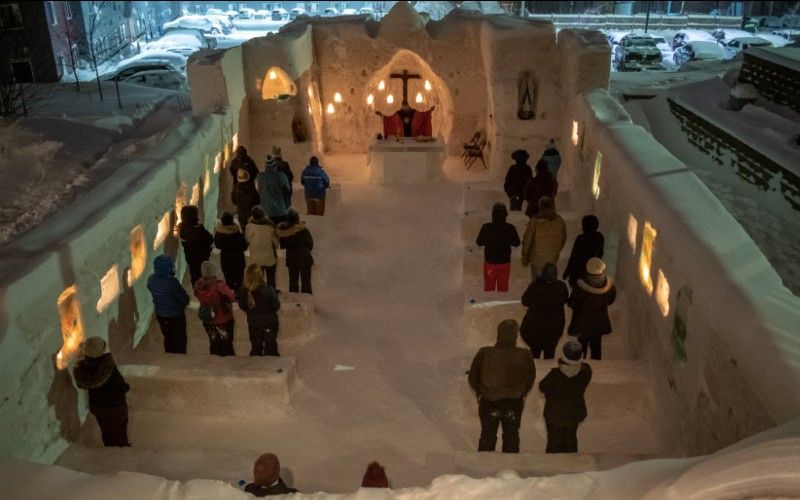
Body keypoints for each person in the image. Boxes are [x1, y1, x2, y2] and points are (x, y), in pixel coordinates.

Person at [468, 319, 536, 453]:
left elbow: (473, 377)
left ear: (499, 334)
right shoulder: (525, 354)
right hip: (514, 403)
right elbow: (530, 378)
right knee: (511, 436)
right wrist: (522, 393)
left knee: (487, 435)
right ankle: (510, 468)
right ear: (515, 335)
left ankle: (484, 468)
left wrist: (480, 392)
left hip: (489, 401)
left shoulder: (484, 353)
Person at [73, 337, 130, 447]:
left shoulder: (81, 369)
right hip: (115, 406)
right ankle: (122, 453)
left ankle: (109, 449)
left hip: (98, 407)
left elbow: (80, 385)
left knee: (106, 430)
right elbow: (121, 386)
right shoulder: (108, 367)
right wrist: (126, 387)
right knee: (120, 431)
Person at [539, 339, 592, 453]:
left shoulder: (555, 375)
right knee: (571, 438)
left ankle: (554, 468)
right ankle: (571, 465)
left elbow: (542, 387)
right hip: (575, 412)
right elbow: (583, 366)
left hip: (555, 413)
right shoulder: (586, 371)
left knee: (554, 441)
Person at [567, 257, 617, 360]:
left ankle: (581, 365)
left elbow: (572, 303)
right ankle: (597, 367)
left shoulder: (580, 286)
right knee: (596, 346)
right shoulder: (609, 286)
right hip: (599, 321)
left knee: (582, 346)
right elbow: (611, 300)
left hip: (582, 322)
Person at [520, 263, 569, 359]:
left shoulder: (535, 286)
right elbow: (565, 299)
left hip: (534, 327)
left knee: (534, 353)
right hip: (554, 327)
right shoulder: (561, 287)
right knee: (550, 354)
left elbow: (525, 301)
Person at [146, 255, 190, 354]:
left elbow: (150, 287)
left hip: (161, 314)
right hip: (175, 315)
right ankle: (180, 357)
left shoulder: (151, 280)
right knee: (179, 338)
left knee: (168, 336)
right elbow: (183, 298)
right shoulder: (171, 282)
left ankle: (169, 354)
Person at [193, 261, 237, 356]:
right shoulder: (219, 285)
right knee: (227, 344)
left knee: (214, 343)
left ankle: (215, 362)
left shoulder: (198, 285)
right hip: (224, 319)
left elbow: (196, 294)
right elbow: (232, 298)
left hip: (208, 320)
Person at [238, 264, 281, 356]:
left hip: (253, 323)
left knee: (256, 348)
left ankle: (257, 366)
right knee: (271, 348)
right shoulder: (268, 289)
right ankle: (271, 368)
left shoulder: (243, 291)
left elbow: (242, 306)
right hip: (269, 323)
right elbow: (276, 306)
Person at [476, 202, 520, 292]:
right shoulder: (510, 228)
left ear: (493, 214)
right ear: (506, 214)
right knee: (503, 289)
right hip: (505, 262)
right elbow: (517, 243)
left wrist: (490, 240)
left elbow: (479, 242)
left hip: (490, 263)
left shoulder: (486, 227)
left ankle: (489, 305)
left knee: (489, 289)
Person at [521, 196, 567, 279]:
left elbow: (527, 241)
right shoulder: (560, 221)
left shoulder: (535, 222)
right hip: (552, 260)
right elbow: (563, 240)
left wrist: (525, 259)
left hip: (537, 261)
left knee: (537, 287)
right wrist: (555, 251)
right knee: (550, 286)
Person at [276, 209, 314, 294]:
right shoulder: (303, 230)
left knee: (293, 283)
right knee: (306, 283)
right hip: (305, 259)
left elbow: (283, 246)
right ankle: (307, 301)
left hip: (292, 259)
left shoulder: (284, 232)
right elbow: (310, 244)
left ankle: (294, 300)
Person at [563, 215, 605, 289]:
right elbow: (600, 254)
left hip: (578, 271)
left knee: (578, 291)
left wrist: (567, 271)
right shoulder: (600, 237)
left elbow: (574, 256)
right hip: (592, 271)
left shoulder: (581, 238)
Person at [245, 206, 280, 290]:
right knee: (271, 279)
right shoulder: (270, 227)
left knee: (258, 280)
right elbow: (276, 244)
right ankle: (272, 294)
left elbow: (247, 239)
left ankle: (259, 294)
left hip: (256, 258)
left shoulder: (248, 226)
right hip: (269, 258)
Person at [178, 205, 213, 286]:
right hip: (203, 258)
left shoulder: (183, 230)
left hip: (191, 259)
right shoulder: (200, 231)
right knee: (204, 274)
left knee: (194, 276)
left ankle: (197, 289)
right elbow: (210, 240)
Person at [214, 212, 248, 292]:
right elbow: (244, 246)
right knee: (239, 277)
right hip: (238, 258)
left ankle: (231, 293)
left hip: (226, 259)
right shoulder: (237, 234)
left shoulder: (219, 233)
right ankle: (239, 293)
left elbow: (217, 245)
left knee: (228, 277)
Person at [258, 154, 292, 224]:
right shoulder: (281, 175)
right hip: (280, 210)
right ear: (275, 166)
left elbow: (259, 190)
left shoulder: (260, 176)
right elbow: (288, 189)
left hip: (265, 211)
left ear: (265, 166)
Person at [231, 169, 261, 233]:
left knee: (244, 232)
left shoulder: (235, 188)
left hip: (241, 213)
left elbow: (233, 201)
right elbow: (258, 201)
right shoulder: (252, 189)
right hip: (251, 214)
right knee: (252, 232)